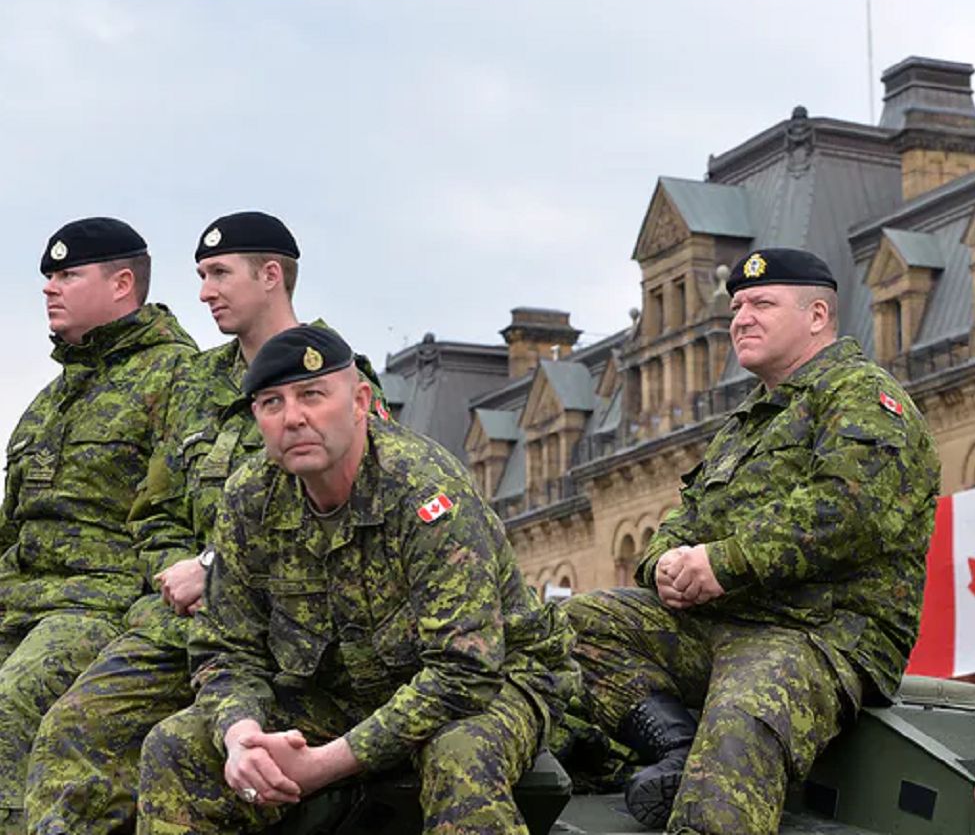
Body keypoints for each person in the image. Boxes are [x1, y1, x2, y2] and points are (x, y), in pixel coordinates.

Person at [25, 212, 392, 835]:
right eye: (200, 275)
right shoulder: (197, 382)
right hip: (182, 622)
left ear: (271, 275)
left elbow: (347, 511)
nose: (203, 292)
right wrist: (174, 571)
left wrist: (214, 568)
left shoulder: (335, 376)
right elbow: (156, 509)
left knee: (178, 752)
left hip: (287, 627)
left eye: (219, 273)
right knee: (73, 728)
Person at [134, 325, 579, 834]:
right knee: (175, 746)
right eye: (272, 403)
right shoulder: (249, 497)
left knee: (459, 757)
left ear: (359, 401)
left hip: (495, 680)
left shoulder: (424, 490)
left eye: (312, 395)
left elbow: (465, 671)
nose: (293, 417)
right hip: (343, 691)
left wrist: (325, 763)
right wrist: (241, 735)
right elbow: (225, 649)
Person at [564, 247, 940, 833]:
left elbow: (850, 511)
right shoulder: (748, 422)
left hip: (817, 634)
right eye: (738, 306)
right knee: (577, 624)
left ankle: (704, 791)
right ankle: (677, 748)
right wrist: (663, 564)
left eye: (762, 304)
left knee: (742, 721)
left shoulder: (863, 395)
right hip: (721, 623)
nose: (742, 317)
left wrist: (723, 563)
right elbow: (685, 518)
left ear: (817, 316)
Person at [0, 218, 196, 834]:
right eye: (47, 278)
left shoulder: (177, 378)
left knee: (13, 703)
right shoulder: (52, 397)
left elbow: (186, 512)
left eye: (66, 275)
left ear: (121, 285)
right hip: (18, 602)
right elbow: (12, 523)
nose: (49, 289)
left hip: (99, 604)